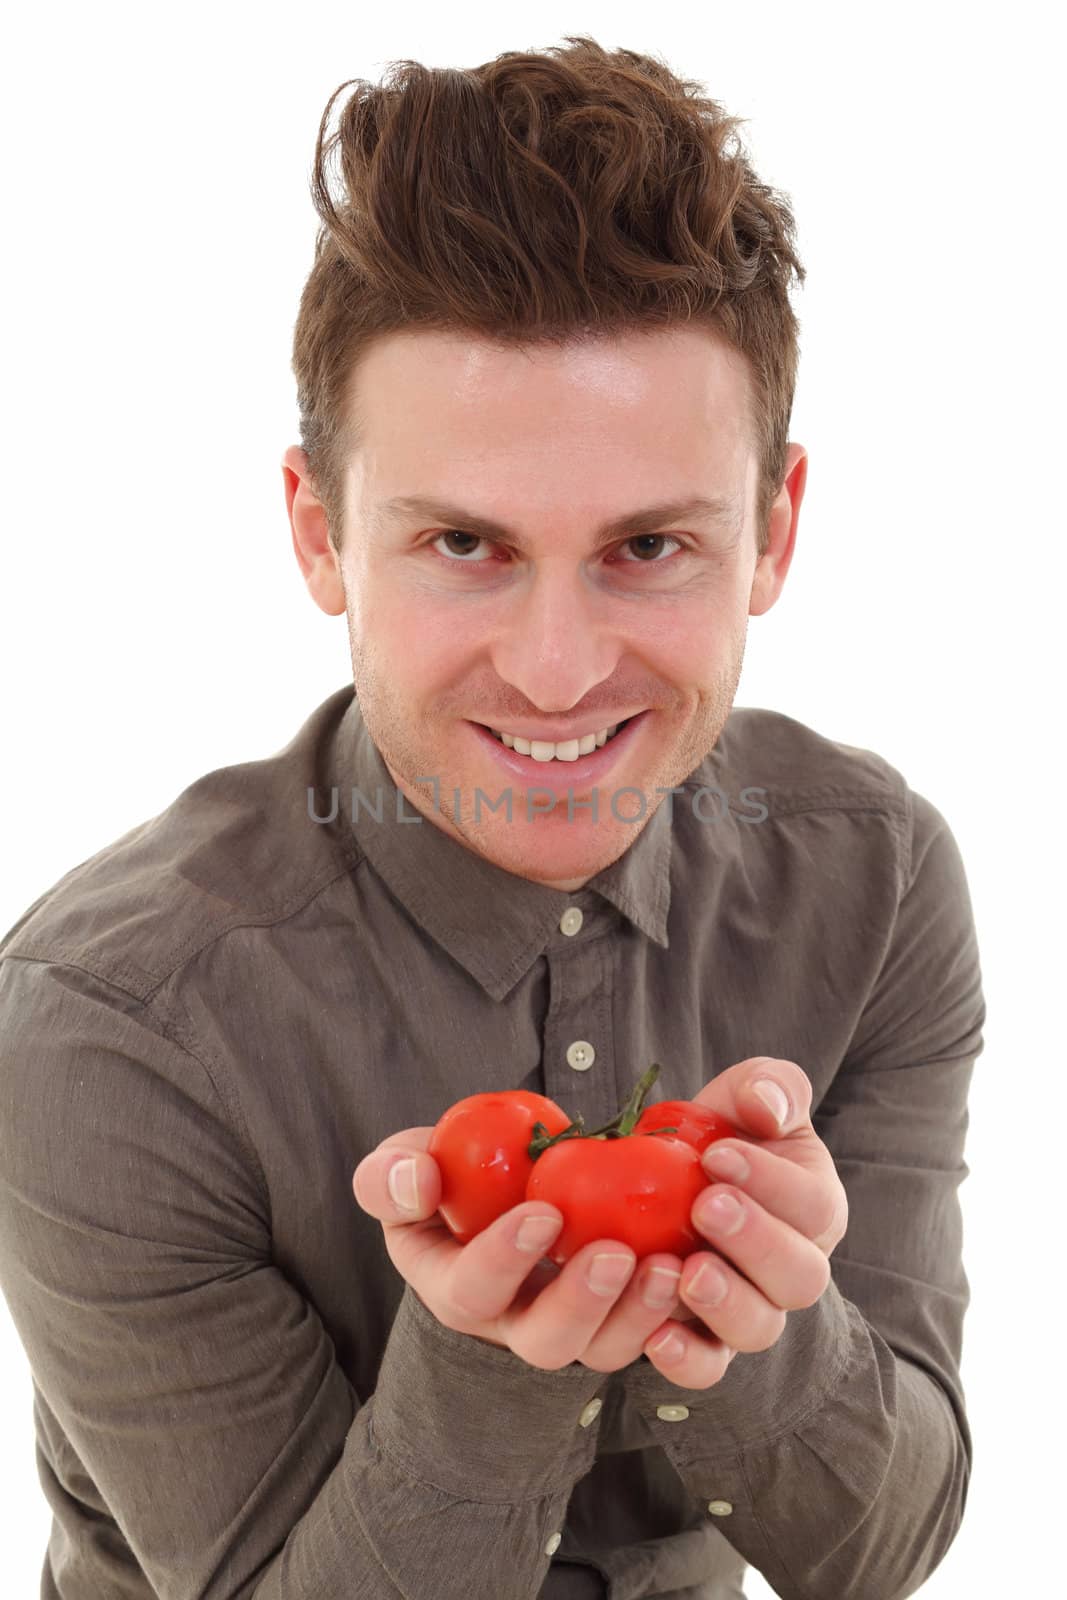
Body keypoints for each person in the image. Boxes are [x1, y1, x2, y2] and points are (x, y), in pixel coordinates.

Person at [0, 33, 985, 1600]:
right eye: (464, 542)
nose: (557, 669)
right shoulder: (108, 1022)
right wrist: (489, 1369)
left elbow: (878, 1553)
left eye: (650, 545)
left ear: (774, 536)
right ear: (321, 539)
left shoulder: (874, 884)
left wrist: (774, 1337)